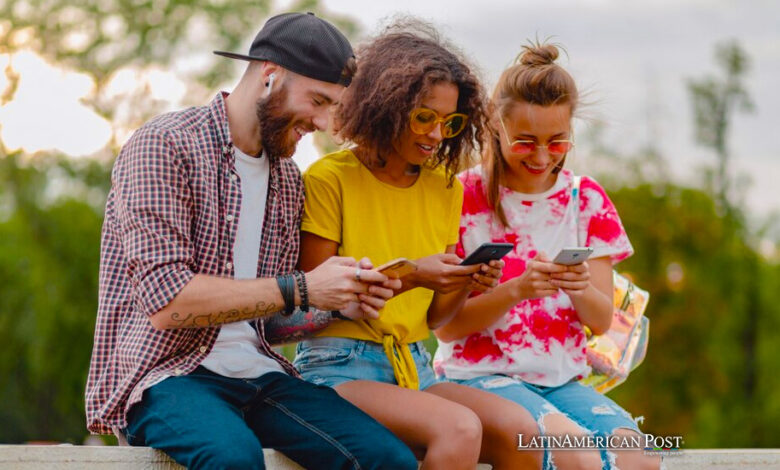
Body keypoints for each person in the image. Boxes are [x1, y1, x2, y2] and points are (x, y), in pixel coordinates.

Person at [84, 12, 419, 470]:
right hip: (165, 376)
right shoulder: (164, 145)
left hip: (260, 375)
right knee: (235, 459)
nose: (323, 122)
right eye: (318, 100)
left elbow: (268, 318)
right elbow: (167, 303)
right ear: (270, 75)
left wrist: (337, 303)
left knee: (389, 460)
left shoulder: (287, 179)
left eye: (332, 106)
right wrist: (301, 286)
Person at [283, 21, 543, 470]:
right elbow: (311, 307)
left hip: (415, 367)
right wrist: (413, 274)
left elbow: (437, 317)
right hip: (338, 366)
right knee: (459, 428)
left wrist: (464, 282)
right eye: (425, 117)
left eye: (451, 122)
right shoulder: (330, 179)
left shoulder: (444, 189)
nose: (437, 135)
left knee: (522, 434)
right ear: (385, 106)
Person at [432, 43, 661, 470]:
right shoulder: (462, 197)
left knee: (641, 457)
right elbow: (447, 329)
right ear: (495, 127)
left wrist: (578, 289)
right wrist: (516, 290)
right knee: (577, 456)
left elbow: (601, 321)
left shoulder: (586, 199)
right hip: (479, 378)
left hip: (561, 380)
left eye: (557, 143)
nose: (541, 157)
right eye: (525, 143)